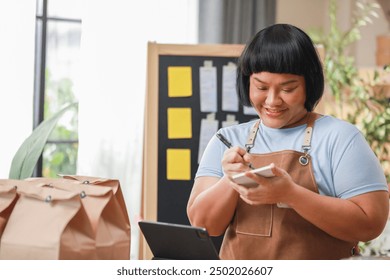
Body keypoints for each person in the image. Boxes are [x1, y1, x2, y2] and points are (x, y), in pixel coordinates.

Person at [186, 23, 389, 260]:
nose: (272, 101)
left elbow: (370, 224)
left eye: (288, 88)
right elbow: (202, 226)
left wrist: (291, 194)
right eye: (261, 87)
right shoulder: (227, 140)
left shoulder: (340, 138)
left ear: (308, 85)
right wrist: (230, 179)